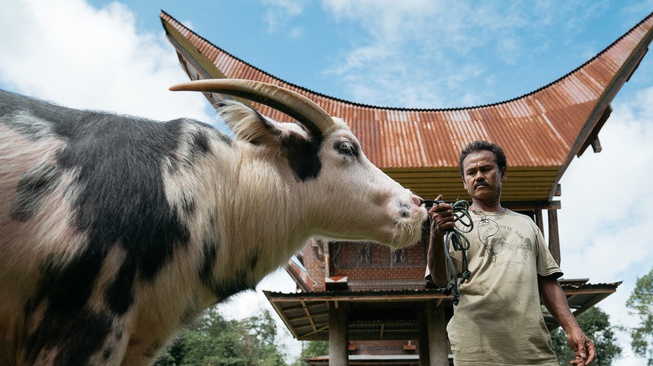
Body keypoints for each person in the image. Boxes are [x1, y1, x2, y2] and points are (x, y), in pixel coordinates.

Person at [426, 140, 595, 366]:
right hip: (477, 349)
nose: (478, 176)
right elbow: (440, 278)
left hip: (533, 349)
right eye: (471, 172)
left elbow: (547, 281)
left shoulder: (527, 224)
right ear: (465, 182)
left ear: (502, 173)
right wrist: (436, 234)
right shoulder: (453, 223)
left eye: (485, 169)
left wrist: (573, 329)